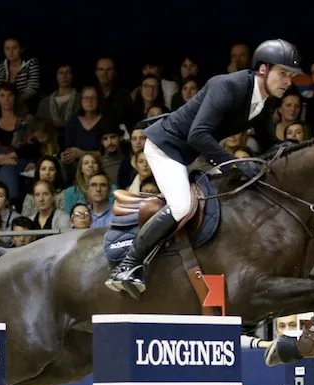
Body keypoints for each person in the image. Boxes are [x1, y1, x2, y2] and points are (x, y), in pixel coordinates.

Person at [106, 39, 301, 297]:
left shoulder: (266, 100)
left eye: (291, 76)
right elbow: (198, 134)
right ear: (263, 69)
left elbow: (269, 142)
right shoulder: (228, 85)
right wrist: (236, 164)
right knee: (182, 205)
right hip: (168, 148)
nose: (288, 81)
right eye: (283, 73)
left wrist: (295, 152)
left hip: (196, 153)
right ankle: (129, 264)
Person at [61, 86, 103, 166]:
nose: (89, 101)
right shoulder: (73, 121)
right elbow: (68, 147)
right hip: (76, 166)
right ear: (81, 101)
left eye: (93, 98)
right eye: (86, 98)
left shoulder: (105, 121)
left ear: (98, 100)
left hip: (99, 164)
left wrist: (82, 153)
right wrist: (65, 155)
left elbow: (107, 153)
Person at [0, 36, 39, 110]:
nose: (11, 52)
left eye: (14, 48)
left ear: (21, 49)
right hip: (8, 103)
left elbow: (33, 88)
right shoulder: (1, 68)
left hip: (29, 102)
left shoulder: (31, 63)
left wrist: (16, 100)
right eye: (7, 49)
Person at [36, 65, 78, 131]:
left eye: (68, 73)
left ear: (72, 75)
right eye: (61, 73)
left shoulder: (80, 98)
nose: (64, 76)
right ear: (56, 76)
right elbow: (38, 125)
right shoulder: (45, 101)